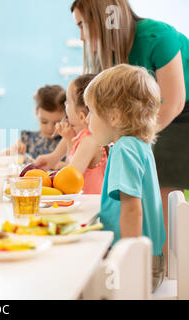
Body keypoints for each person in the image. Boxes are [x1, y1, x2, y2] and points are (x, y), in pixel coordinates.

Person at [70, 0, 189, 265]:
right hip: (141, 122)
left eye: (81, 25)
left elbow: (175, 101)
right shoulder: (112, 52)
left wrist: (130, 264)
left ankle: (153, 264)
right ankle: (158, 262)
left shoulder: (157, 36)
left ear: (100, 17)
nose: (79, 36)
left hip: (180, 113)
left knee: (159, 189)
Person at [85, 64, 166, 292]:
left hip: (138, 267)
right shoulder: (139, 145)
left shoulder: (124, 149)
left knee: (77, 280)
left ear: (114, 116)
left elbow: (132, 209)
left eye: (91, 111)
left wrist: (126, 260)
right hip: (151, 261)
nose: (88, 119)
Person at [35, 74, 107, 194]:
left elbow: (67, 181)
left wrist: (69, 141)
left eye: (68, 102)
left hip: (90, 209)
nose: (64, 106)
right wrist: (54, 156)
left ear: (82, 116)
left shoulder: (89, 141)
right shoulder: (85, 134)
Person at [0, 85, 66, 166]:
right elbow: (1, 157)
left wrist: (57, 164)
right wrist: (14, 150)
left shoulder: (66, 140)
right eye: (44, 121)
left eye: (56, 123)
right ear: (36, 113)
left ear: (66, 117)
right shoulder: (28, 138)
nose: (50, 128)